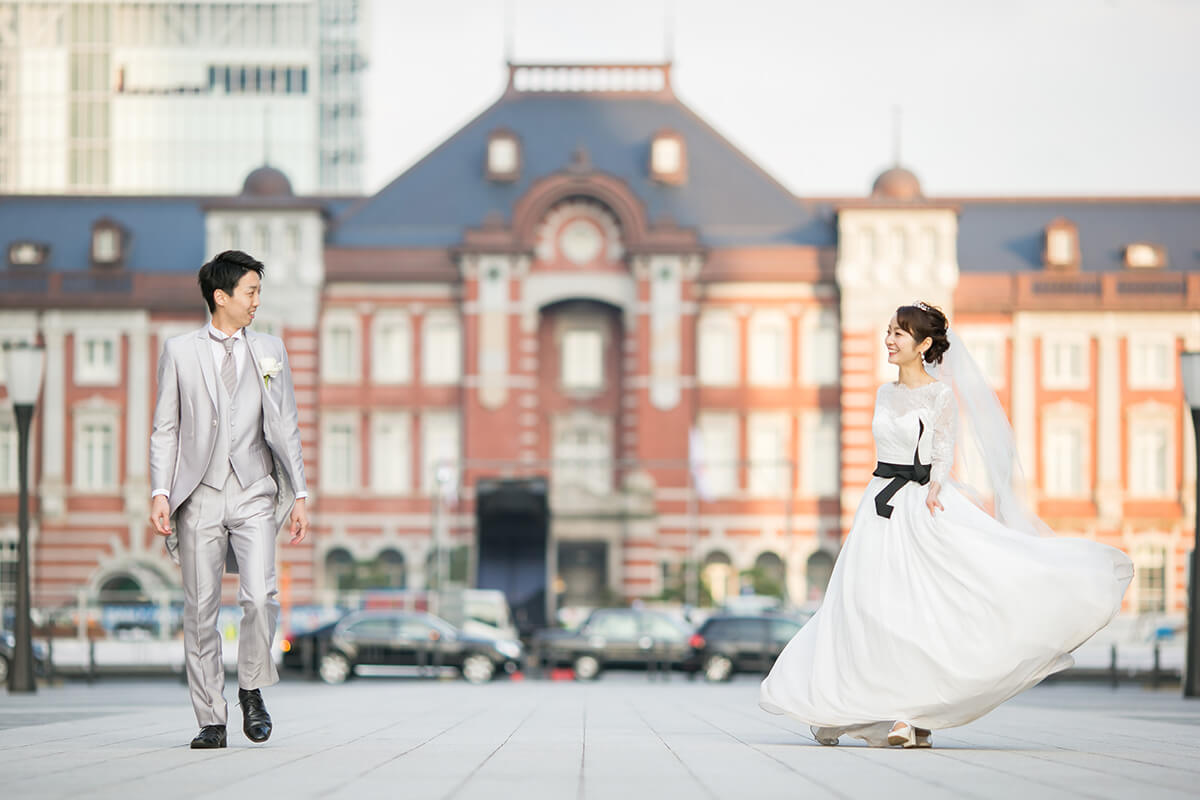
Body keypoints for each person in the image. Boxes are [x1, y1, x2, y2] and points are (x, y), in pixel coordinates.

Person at [760, 302, 1132, 748]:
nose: (889, 340)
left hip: (920, 503)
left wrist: (935, 487)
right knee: (859, 607)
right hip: (877, 506)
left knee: (913, 610)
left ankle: (909, 714)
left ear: (924, 345)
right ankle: (845, 705)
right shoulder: (883, 393)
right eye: (888, 332)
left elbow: (943, 449)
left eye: (899, 333)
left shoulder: (939, 395)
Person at [149, 250, 309, 749]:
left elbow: (285, 424)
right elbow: (166, 428)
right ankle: (210, 719)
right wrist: (160, 490)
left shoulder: (271, 350)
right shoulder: (179, 351)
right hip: (199, 494)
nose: (258, 300)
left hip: (256, 489)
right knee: (200, 610)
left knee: (260, 596)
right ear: (222, 297)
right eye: (251, 291)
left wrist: (300, 492)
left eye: (259, 291)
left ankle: (252, 689)